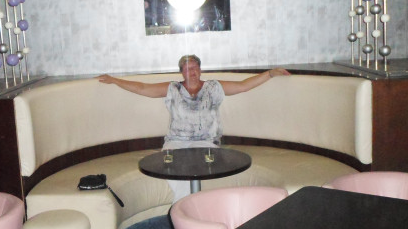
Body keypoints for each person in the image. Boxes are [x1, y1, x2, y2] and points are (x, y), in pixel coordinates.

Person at [98, 55, 290, 200]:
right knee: (176, 171)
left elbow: (243, 86)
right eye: (187, 68)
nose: (191, 71)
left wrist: (270, 74)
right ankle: (189, 213)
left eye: (195, 67)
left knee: (200, 169)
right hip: (176, 143)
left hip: (206, 143)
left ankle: (184, 214)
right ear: (182, 72)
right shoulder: (173, 88)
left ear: (200, 70)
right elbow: (142, 88)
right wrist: (115, 80)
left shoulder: (213, 87)